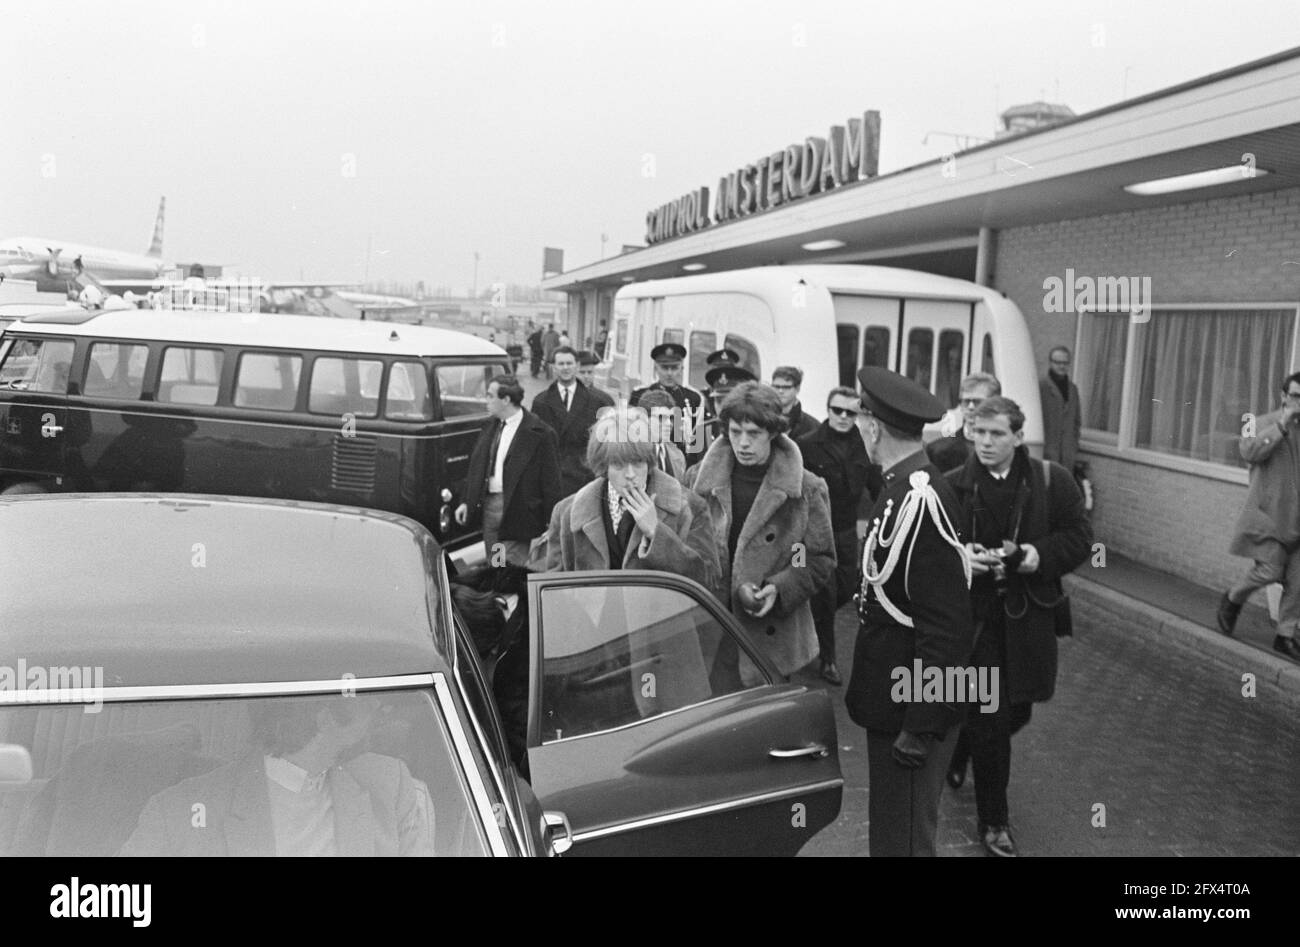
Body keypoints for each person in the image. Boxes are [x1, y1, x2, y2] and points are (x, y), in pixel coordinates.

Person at [945, 396, 1091, 857]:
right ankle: (994, 823)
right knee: (991, 718)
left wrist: (1033, 557)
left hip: (1029, 616)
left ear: (1017, 437)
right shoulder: (951, 485)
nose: (985, 443)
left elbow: (1079, 538)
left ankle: (963, 744)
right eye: (978, 432)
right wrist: (962, 558)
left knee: (1019, 711)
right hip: (977, 621)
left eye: (996, 434)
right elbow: (935, 544)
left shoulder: (1052, 481)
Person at [844, 366, 974, 858]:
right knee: (892, 834)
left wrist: (922, 725)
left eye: (862, 421)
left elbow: (946, 627)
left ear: (873, 427)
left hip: (912, 707)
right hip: (897, 697)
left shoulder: (919, 498)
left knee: (904, 842)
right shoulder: (903, 484)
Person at [118, 695, 436, 856]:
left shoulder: (388, 782)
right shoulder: (176, 813)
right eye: (369, 702)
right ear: (326, 718)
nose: (383, 712)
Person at [684, 382, 834, 686]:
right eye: (735, 432)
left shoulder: (805, 489)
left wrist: (780, 588)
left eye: (753, 434)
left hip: (771, 638)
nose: (743, 443)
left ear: (775, 433)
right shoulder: (698, 480)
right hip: (710, 629)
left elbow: (814, 557)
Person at [539, 406, 719, 593]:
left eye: (638, 462)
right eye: (619, 465)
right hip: (592, 622)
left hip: (664, 620)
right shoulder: (566, 512)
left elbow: (710, 580)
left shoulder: (691, 507)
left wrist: (656, 534)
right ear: (603, 466)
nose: (631, 474)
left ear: (649, 461)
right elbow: (554, 592)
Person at [1218, 370, 1300, 659]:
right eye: (1295, 396)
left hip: (1297, 521)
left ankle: (1285, 635)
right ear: (1283, 396)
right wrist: (1281, 425)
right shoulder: (1261, 422)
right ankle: (1233, 598)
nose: (1299, 403)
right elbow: (1249, 451)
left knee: (1298, 581)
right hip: (1269, 519)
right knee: (1270, 571)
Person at [797, 386, 871, 686]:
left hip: (846, 530)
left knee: (848, 587)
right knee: (825, 594)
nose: (843, 417)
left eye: (850, 412)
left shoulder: (864, 444)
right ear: (827, 410)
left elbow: (875, 482)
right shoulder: (808, 444)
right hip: (815, 532)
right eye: (837, 410)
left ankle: (811, 623)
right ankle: (828, 659)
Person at [455, 374, 562, 565]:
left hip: (517, 511)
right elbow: (477, 468)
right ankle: (498, 592)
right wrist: (466, 501)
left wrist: (551, 521)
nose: (485, 400)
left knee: (510, 566)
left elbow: (551, 481)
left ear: (505, 400)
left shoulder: (540, 433)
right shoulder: (490, 426)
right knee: (496, 562)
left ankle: (507, 593)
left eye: (490, 395)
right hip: (490, 508)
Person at [531, 346, 604, 497]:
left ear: (577, 366)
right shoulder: (541, 402)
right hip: (552, 478)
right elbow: (534, 445)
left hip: (585, 478)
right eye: (561, 364)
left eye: (569, 363)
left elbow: (602, 446)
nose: (565, 368)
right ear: (553, 367)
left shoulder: (596, 401)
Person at [631, 343, 705, 466]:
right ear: (656, 368)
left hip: (680, 462)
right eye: (664, 368)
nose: (669, 373)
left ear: (682, 368)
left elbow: (698, 441)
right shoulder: (640, 394)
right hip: (647, 459)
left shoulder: (693, 398)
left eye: (674, 368)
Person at [925, 372, 1001, 473]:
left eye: (977, 402)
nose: (970, 407)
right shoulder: (937, 451)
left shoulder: (1009, 448)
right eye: (966, 402)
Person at [696, 363, 756, 460]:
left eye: (728, 400)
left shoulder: (752, 429)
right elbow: (692, 471)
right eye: (718, 401)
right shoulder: (701, 431)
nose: (723, 407)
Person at [1040, 346, 1082, 473]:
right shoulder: (1041, 387)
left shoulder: (1072, 389)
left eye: (1065, 363)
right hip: (1047, 450)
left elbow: (1076, 420)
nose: (1062, 366)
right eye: (1058, 362)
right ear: (1050, 362)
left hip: (1067, 453)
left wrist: (1073, 445)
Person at [636, 389, 689, 480]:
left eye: (671, 418)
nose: (669, 423)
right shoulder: (632, 454)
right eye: (661, 418)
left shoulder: (678, 455)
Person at [771, 366, 820, 441]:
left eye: (786, 387)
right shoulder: (762, 420)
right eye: (776, 387)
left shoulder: (813, 427)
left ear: (797, 389)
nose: (780, 391)